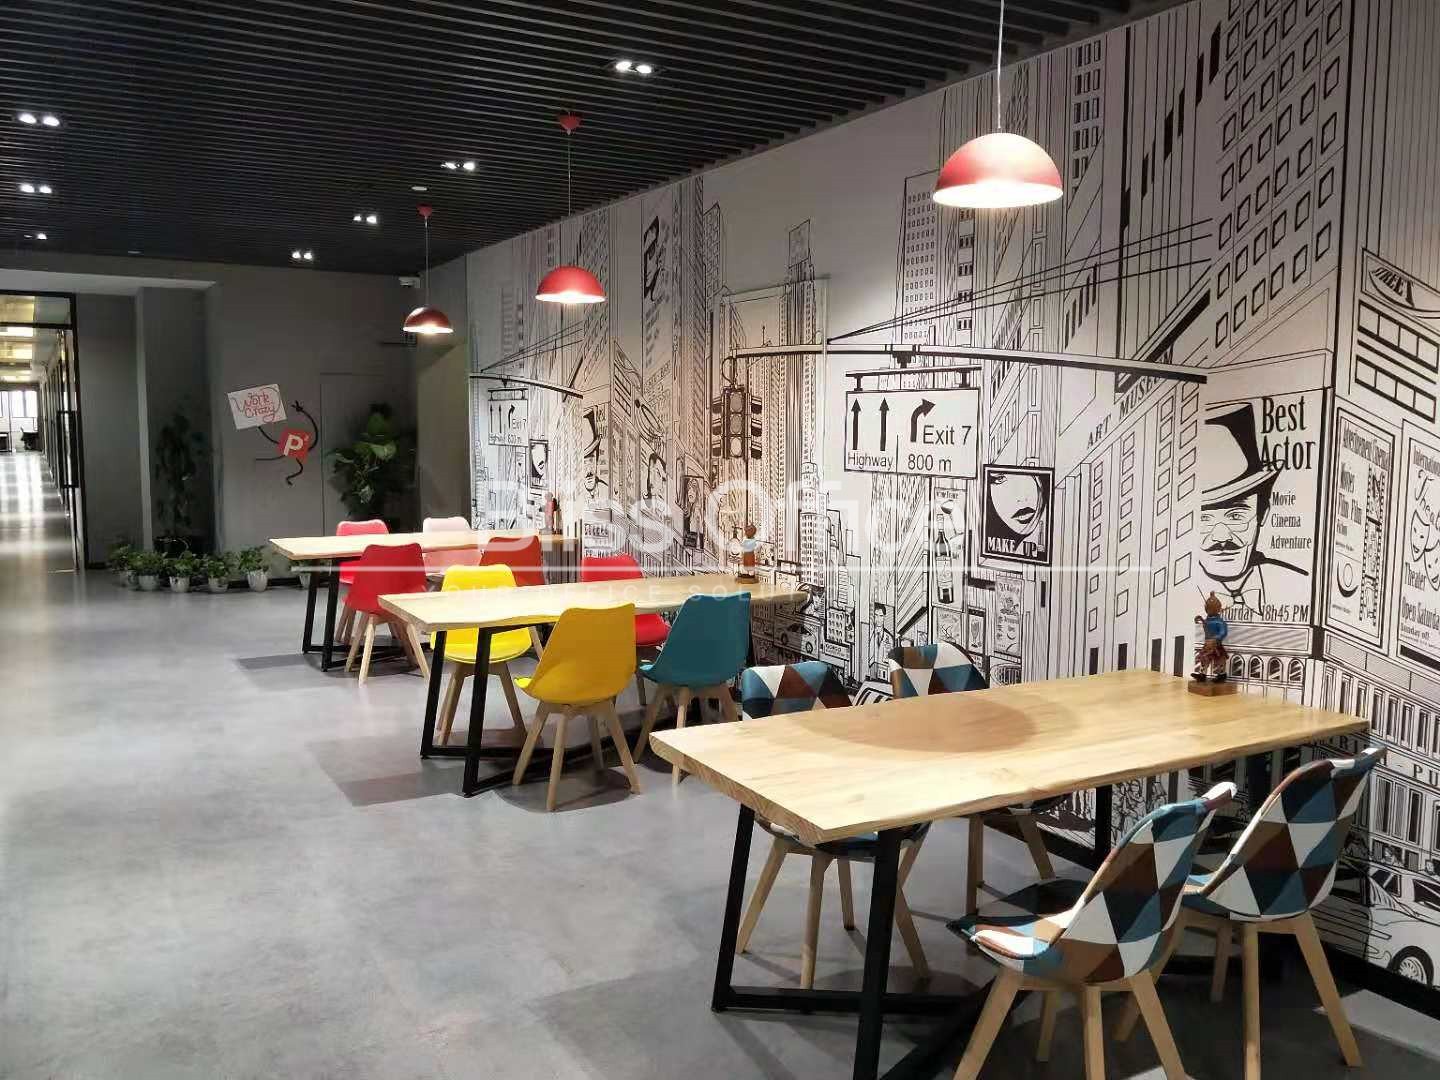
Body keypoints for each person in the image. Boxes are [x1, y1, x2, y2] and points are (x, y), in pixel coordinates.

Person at [1197, 402, 1308, 612]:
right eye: (1204, 519)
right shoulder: (1172, 598)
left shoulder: (1299, 583)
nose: (1221, 537)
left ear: (1262, 513)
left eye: (1236, 516)